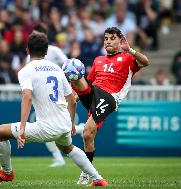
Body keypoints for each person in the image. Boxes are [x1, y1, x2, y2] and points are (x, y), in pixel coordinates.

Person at [0, 32, 108, 187]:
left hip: (46, 128)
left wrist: (22, 127)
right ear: (47, 51)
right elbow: (71, 100)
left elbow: (27, 97)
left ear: (27, 50)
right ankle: (98, 179)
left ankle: (6, 173)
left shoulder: (25, 71)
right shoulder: (57, 69)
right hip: (63, 124)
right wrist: (71, 124)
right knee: (67, 147)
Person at [66, 27, 150, 184]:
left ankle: (86, 172)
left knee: (87, 133)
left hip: (110, 97)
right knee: (87, 135)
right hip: (94, 94)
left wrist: (130, 50)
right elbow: (86, 84)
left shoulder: (127, 58)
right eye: (106, 39)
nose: (108, 41)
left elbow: (146, 62)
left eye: (112, 38)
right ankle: (86, 172)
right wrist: (71, 100)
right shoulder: (98, 60)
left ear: (120, 40)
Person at [26, 24, 84, 168]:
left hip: (56, 93)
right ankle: (79, 132)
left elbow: (69, 67)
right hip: (43, 94)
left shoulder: (55, 51)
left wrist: (69, 86)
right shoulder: (31, 56)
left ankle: (62, 155)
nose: (33, 37)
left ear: (44, 35)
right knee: (50, 126)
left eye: (36, 33)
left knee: (52, 126)